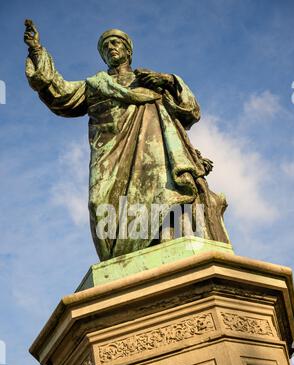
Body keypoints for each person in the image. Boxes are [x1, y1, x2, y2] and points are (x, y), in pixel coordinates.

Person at [24, 20, 229, 261]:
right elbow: (60, 94)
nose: (111, 47)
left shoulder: (150, 82)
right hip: (109, 158)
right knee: (98, 203)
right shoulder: (95, 86)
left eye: (116, 43)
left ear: (128, 50)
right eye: (106, 46)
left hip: (154, 155)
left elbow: (190, 110)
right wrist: (37, 51)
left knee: (163, 195)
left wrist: (168, 80)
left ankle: (165, 242)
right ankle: (122, 260)